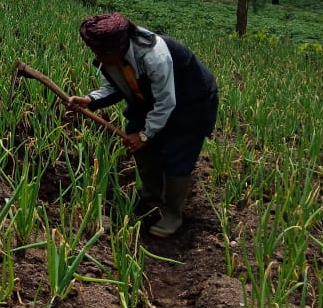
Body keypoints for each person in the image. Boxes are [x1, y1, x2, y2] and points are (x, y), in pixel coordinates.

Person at [66, 13, 219, 238]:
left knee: (178, 152)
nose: (97, 57)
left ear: (118, 46)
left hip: (191, 102)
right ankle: (152, 197)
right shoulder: (111, 55)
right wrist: (90, 100)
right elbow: (113, 87)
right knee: (137, 140)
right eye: (94, 51)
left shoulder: (155, 56)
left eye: (101, 52)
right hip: (148, 98)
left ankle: (173, 214)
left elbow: (167, 102)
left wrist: (146, 134)